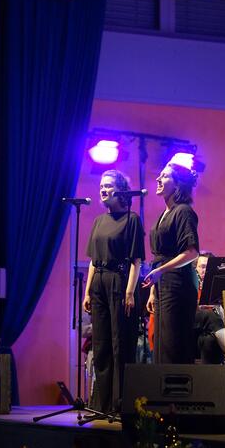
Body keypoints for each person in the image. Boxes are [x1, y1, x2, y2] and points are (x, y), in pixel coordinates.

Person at [83, 169, 145, 413]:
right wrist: (87, 292)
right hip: (98, 281)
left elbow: (136, 260)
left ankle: (121, 403)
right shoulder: (99, 221)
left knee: (121, 343)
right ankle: (102, 403)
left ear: (121, 190)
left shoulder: (132, 219)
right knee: (101, 344)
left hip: (120, 281)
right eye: (101, 185)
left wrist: (130, 292)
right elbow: (92, 260)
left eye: (108, 185)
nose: (103, 189)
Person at [144, 162, 199, 363]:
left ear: (177, 185)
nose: (158, 179)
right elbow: (159, 258)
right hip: (163, 284)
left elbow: (192, 252)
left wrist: (161, 271)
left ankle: (177, 383)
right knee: (161, 345)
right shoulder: (165, 214)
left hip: (177, 284)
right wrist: (153, 290)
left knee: (173, 345)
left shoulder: (183, 211)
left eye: (165, 176)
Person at [194, 252, 225, 364]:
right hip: (194, 329)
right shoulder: (192, 285)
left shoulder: (218, 287)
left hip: (209, 332)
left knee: (209, 340)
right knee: (210, 315)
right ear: (195, 269)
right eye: (202, 267)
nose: (205, 270)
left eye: (208, 267)